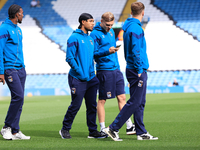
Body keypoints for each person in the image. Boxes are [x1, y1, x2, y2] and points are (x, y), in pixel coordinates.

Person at [104, 2, 158, 141]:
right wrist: (140, 68)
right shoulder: (136, 29)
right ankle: (113, 128)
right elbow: (136, 50)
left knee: (139, 102)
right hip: (136, 69)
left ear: (131, 12)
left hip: (132, 67)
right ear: (143, 12)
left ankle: (141, 132)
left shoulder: (128, 27)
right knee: (135, 101)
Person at [59, 13, 107, 139]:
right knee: (75, 105)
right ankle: (65, 129)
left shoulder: (90, 39)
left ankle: (93, 131)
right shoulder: (73, 38)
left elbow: (92, 57)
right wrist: (80, 72)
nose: (93, 23)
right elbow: (69, 58)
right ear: (83, 22)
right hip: (77, 78)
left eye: (93, 21)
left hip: (91, 78)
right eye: (90, 21)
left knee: (92, 106)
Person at [90, 12, 135, 136]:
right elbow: (93, 54)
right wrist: (107, 51)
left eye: (111, 24)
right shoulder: (94, 34)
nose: (110, 27)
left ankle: (129, 126)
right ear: (102, 21)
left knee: (122, 97)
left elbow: (113, 52)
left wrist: (118, 66)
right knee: (102, 100)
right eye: (108, 24)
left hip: (116, 69)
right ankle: (103, 128)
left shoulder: (111, 32)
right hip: (104, 70)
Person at [0, 4, 30, 140]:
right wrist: (1, 71)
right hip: (10, 68)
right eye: (22, 13)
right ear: (16, 14)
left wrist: (23, 67)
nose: (23, 15)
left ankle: (15, 131)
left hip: (20, 69)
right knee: (18, 97)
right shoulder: (4, 29)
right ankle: (6, 127)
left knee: (20, 99)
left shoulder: (18, 30)